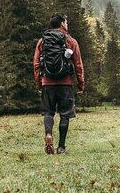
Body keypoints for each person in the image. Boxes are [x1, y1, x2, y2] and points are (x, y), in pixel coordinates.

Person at [33, 13, 85, 155]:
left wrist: (39, 83)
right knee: (65, 115)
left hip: (47, 83)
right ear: (62, 23)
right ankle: (61, 147)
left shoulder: (42, 42)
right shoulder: (71, 41)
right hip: (65, 84)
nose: (67, 24)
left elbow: (36, 64)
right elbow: (78, 64)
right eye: (66, 22)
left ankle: (49, 134)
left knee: (48, 113)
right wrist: (81, 84)